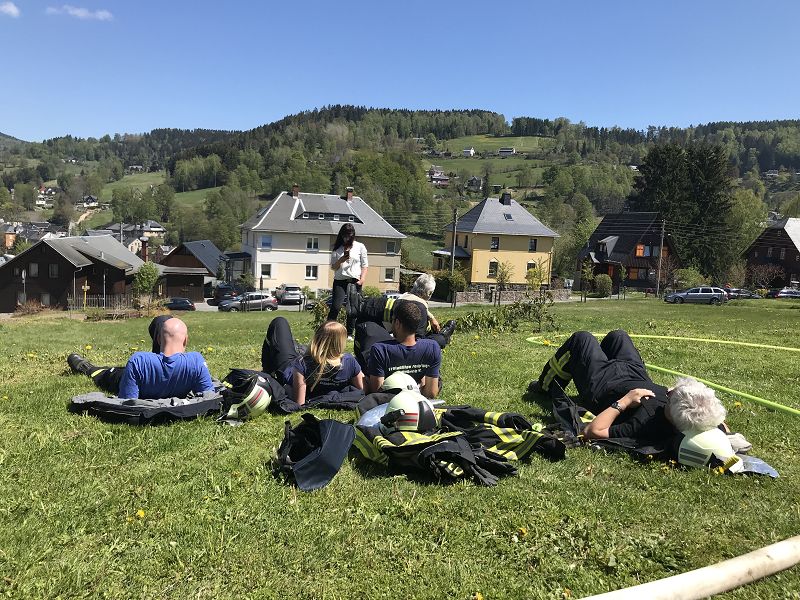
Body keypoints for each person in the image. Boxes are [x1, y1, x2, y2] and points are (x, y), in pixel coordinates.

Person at [531, 330, 750, 453]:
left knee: (582, 339)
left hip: (604, 385)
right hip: (636, 375)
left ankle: (544, 386)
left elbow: (593, 431)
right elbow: (718, 423)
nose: (670, 391)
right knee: (618, 336)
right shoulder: (696, 419)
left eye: (672, 394)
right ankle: (604, 354)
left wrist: (624, 402)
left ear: (672, 409)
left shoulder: (644, 421)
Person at [261, 316, 364, 406]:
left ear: (317, 338)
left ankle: (267, 371)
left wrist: (285, 387)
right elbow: (362, 390)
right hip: (311, 360)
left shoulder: (303, 363)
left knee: (279, 322)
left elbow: (300, 402)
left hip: (288, 367)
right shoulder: (350, 361)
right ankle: (297, 347)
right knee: (295, 346)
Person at [67, 315, 175, 394]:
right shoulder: (187, 369)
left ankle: (88, 368)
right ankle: (166, 363)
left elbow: (127, 400)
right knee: (165, 322)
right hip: (172, 372)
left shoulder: (138, 367)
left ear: (158, 339)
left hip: (143, 379)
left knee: (112, 374)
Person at [360, 301, 441, 399]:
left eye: (393, 320)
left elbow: (377, 391)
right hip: (417, 397)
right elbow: (431, 393)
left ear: (397, 323)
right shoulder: (432, 347)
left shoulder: (380, 350)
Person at [117, 317, 214, 399]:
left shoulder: (138, 361)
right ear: (185, 340)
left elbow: (127, 401)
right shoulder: (196, 361)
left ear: (158, 339)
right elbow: (208, 397)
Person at [354, 273, 456, 350]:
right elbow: (418, 339)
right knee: (435, 341)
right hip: (407, 340)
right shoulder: (421, 307)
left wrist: (431, 317)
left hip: (386, 333)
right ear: (429, 293)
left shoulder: (403, 297)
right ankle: (444, 336)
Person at [327, 223, 368, 338]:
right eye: (345, 236)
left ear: (353, 235)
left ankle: (349, 333)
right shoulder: (337, 248)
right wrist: (340, 260)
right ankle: (327, 330)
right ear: (341, 235)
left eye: (349, 236)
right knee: (336, 306)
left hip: (355, 281)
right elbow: (333, 267)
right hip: (339, 280)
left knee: (352, 308)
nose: (347, 238)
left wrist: (362, 279)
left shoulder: (360, 246)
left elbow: (365, 265)